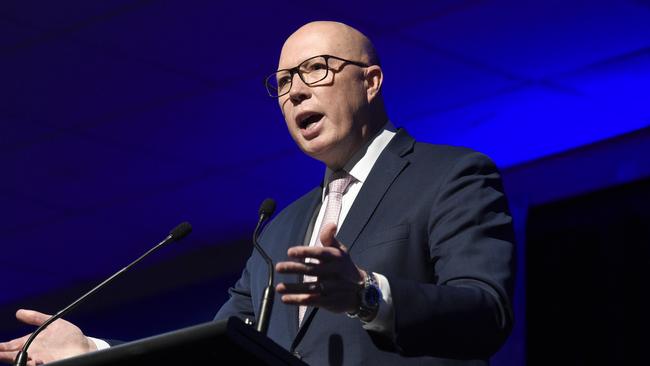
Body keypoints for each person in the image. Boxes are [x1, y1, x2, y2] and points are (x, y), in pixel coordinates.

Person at [0, 21, 514, 366]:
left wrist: (364, 295)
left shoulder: (451, 175)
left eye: (317, 69)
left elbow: (485, 312)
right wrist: (89, 351)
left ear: (371, 82)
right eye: (284, 80)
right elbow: (217, 349)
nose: (295, 91)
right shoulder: (282, 228)